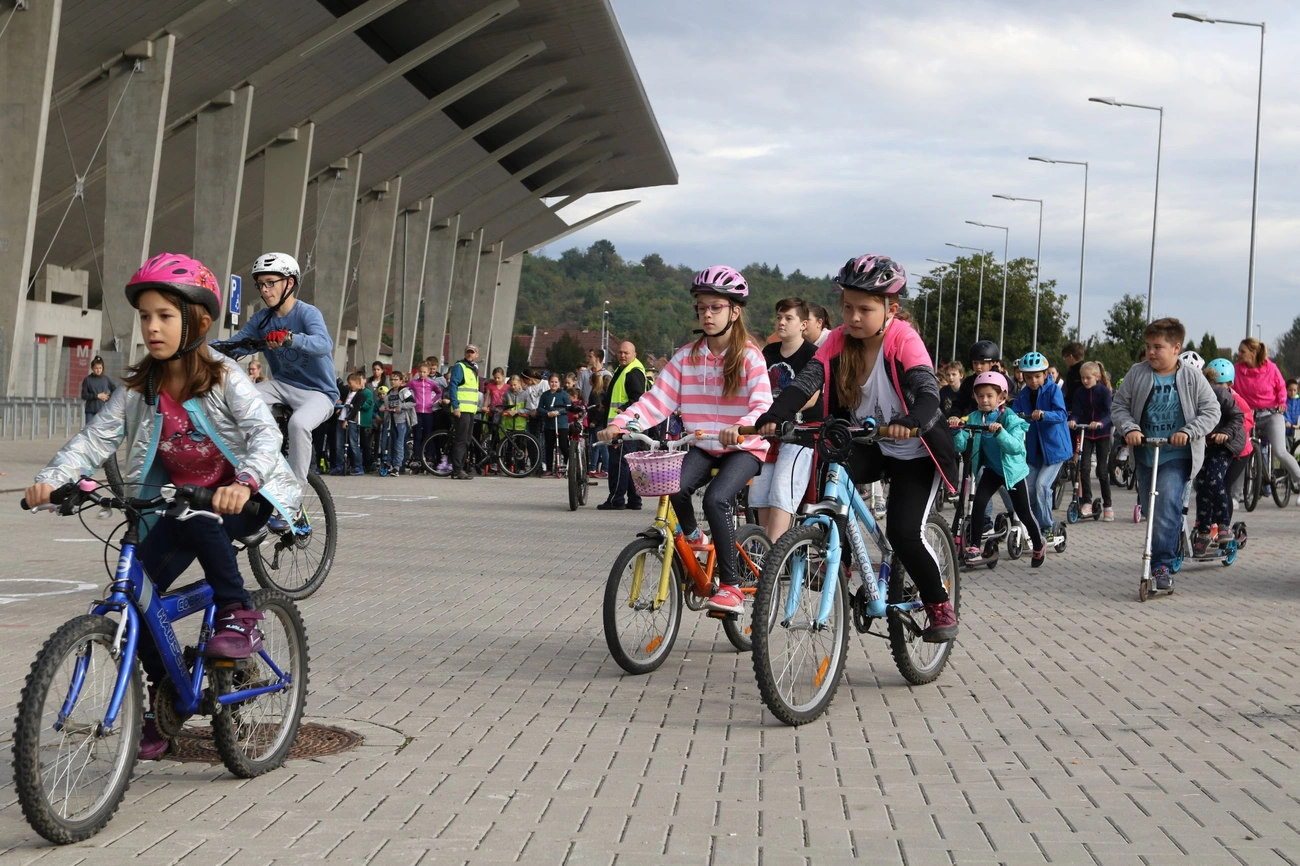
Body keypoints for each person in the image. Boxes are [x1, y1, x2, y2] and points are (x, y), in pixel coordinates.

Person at [26, 253, 301, 760]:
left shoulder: (224, 377)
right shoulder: (141, 387)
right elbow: (94, 440)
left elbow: (265, 433)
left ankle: (240, 614)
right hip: (177, 502)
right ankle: (165, 699)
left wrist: (244, 480)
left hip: (242, 496)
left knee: (202, 518)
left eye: (165, 316)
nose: (152, 327)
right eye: (146, 316)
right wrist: (52, 480)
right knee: (135, 595)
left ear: (195, 321)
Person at [756, 255, 961, 642]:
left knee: (903, 533)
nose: (852, 317)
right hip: (870, 442)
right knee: (828, 473)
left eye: (864, 309)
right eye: (847, 306)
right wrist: (776, 413)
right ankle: (839, 558)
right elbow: (807, 381)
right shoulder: (836, 341)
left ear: (891, 309)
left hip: (916, 451)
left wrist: (913, 420)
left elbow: (927, 390)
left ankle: (938, 603)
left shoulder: (903, 338)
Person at [600, 265, 772, 613]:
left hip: (743, 446)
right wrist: (620, 425)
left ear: (734, 312)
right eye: (702, 307)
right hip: (704, 444)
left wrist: (743, 426)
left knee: (717, 499)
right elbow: (655, 400)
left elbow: (762, 405)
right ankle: (695, 538)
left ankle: (732, 586)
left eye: (716, 307)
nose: (707, 314)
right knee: (673, 486)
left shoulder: (750, 357)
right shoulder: (686, 357)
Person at [1112, 318, 1220, 591]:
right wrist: (1130, 429)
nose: (1150, 352)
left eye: (1157, 347)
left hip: (1177, 455)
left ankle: (1161, 565)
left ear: (1176, 348)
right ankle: (1167, 548)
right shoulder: (1137, 373)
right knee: (1152, 509)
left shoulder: (1192, 377)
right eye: (1148, 346)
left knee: (1167, 505)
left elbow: (1212, 411)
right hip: (1147, 454)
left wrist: (1189, 431)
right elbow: (1119, 407)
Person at [225, 252, 337, 503]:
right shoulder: (261, 319)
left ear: (289, 283)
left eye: (270, 283)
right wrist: (199, 348)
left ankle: (293, 495)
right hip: (282, 385)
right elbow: (235, 344)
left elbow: (323, 344)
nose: (265, 290)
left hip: (319, 393)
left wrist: (290, 338)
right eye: (261, 285)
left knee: (299, 424)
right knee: (237, 400)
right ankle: (251, 466)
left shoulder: (307, 313)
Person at [952, 371, 1047, 566]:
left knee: (1023, 512)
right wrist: (957, 430)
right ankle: (975, 547)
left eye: (989, 396)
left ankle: (1038, 544)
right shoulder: (974, 417)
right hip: (993, 470)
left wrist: (1000, 432)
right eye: (980, 396)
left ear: (1001, 397)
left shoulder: (1009, 418)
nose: (984, 400)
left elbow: (1015, 447)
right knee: (978, 502)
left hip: (1012, 472)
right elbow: (961, 446)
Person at [750, 297, 822, 540]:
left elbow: (811, 397)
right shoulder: (768, 352)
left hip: (799, 433)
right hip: (769, 433)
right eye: (779, 317)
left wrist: (782, 412)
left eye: (788, 318)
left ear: (803, 324)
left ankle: (775, 553)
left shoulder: (812, 354)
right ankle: (762, 551)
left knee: (783, 490)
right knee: (761, 492)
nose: (781, 322)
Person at [1012, 351, 1071, 541]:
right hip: (1034, 451)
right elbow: (1012, 416)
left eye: (1037, 376)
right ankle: (1036, 524)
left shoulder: (1053, 391)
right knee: (1028, 489)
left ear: (1045, 375)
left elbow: (1062, 414)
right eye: (1028, 377)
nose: (1033, 381)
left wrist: (1045, 414)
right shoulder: (1022, 395)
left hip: (1055, 451)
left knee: (1042, 487)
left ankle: (1047, 526)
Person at [1190, 353, 1245, 554]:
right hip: (1206, 442)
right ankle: (1204, 530)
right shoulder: (1189, 397)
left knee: (1213, 479)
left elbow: (1238, 417)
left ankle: (1223, 525)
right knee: (1200, 483)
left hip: (1228, 443)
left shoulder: (1220, 394)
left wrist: (1225, 433)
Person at [1235, 337, 1300, 494]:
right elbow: (1232, 390)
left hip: (1272, 414)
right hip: (1249, 415)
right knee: (1240, 451)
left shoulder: (1271, 368)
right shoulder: (1237, 369)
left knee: (1279, 450)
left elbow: (1281, 388)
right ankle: (1235, 496)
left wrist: (1282, 403)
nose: (1239, 354)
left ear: (1253, 352)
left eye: (1242, 351)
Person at [599, 341, 648, 510]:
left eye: (626, 353)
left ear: (634, 355)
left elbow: (638, 398)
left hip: (625, 426)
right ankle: (635, 500)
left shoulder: (633, 372)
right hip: (627, 425)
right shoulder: (624, 369)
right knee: (630, 464)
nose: (622, 355)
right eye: (620, 352)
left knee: (619, 464)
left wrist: (623, 409)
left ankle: (616, 500)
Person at [1207, 358, 1254, 516]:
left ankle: (1224, 524)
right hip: (1218, 450)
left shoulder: (1236, 400)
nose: (1216, 388)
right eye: (1212, 384)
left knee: (1224, 486)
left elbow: (1247, 420)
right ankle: (1210, 521)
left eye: (1220, 385)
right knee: (1210, 486)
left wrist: (1228, 433)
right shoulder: (1207, 398)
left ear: (1230, 385)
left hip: (1238, 453)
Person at [1069, 360, 1114, 521]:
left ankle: (1108, 505)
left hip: (1102, 433)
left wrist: (1101, 423)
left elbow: (1110, 413)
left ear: (1097, 377)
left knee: (1101, 471)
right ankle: (1087, 501)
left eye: (1088, 378)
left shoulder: (1104, 392)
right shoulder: (1079, 392)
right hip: (1086, 432)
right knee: (1084, 468)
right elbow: (1076, 412)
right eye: (1082, 378)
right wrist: (1073, 420)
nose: (1085, 381)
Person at [447, 345, 482, 480]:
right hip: (461, 410)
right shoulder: (460, 367)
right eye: (468, 352)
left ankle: (460, 467)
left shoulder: (474, 368)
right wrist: (455, 406)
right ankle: (457, 470)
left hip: (470, 410)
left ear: (476, 355)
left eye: (472, 352)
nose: (470, 354)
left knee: (466, 440)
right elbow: (453, 386)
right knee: (461, 440)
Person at [948, 340, 1002, 421]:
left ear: (993, 362)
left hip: (1000, 424)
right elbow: (959, 403)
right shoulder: (969, 382)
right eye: (975, 363)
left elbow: (1010, 403)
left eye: (982, 363)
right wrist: (954, 415)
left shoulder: (1002, 380)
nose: (978, 367)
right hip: (975, 425)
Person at [333, 373, 370, 476]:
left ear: (358, 383)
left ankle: (358, 466)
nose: (349, 385)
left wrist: (347, 419)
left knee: (353, 444)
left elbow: (355, 409)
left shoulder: (361, 395)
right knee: (338, 444)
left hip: (351, 421)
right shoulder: (348, 393)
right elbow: (345, 404)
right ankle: (339, 466)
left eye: (351, 383)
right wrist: (340, 412)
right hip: (341, 419)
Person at [408, 363, 442, 473]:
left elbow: (439, 392)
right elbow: (404, 389)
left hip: (428, 412)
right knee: (417, 435)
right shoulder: (414, 383)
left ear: (428, 373)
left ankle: (429, 457)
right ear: (417, 372)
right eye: (420, 372)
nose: (422, 374)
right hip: (417, 412)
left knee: (428, 435)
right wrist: (411, 402)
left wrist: (432, 402)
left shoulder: (431, 383)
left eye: (424, 372)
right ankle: (416, 457)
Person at [538, 373, 572, 475]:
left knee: (563, 445)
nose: (554, 384)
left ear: (559, 383)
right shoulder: (545, 395)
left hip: (561, 425)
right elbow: (540, 408)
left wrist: (559, 412)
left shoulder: (563, 394)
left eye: (556, 382)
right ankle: (549, 468)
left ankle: (568, 465)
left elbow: (568, 407)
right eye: (552, 382)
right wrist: (547, 413)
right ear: (549, 382)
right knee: (549, 446)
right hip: (549, 425)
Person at [385, 370, 415, 474]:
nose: (393, 382)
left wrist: (401, 406)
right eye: (391, 380)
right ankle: (391, 464)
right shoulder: (389, 393)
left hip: (401, 421)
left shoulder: (404, 391)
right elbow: (387, 406)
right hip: (391, 421)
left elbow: (412, 402)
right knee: (391, 443)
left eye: (395, 380)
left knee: (399, 444)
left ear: (401, 381)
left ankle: (397, 466)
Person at [80, 355, 116, 426]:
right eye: (96, 368)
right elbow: (84, 395)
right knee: (90, 431)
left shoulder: (106, 379)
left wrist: (108, 397)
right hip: (90, 411)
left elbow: (114, 389)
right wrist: (97, 396)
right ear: (92, 368)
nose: (98, 370)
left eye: (100, 368)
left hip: (103, 410)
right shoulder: (87, 380)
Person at [1061, 341, 1086, 407]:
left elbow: (1069, 396)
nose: (1065, 360)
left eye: (1065, 357)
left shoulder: (1073, 373)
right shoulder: (1090, 370)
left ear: (1070, 357)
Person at [1286, 379, 1300, 447]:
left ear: (1297, 391)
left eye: (1294, 390)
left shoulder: (1298, 402)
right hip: (1284, 431)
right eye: (1290, 390)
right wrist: (1285, 421)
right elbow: (1281, 413)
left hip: (1294, 432)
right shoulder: (1284, 401)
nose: (1292, 392)